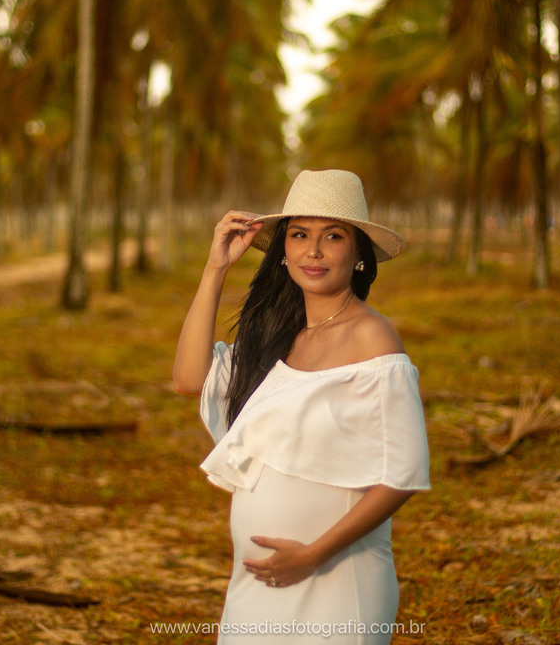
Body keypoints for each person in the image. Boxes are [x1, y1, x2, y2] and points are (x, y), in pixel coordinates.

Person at [172, 169, 431, 644]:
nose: (313, 251)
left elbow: (402, 473)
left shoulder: (371, 337)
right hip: (257, 587)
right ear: (283, 250)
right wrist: (215, 269)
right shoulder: (278, 338)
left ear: (357, 253)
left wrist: (313, 555)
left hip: (336, 578)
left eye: (333, 236)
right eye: (299, 235)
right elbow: (189, 379)